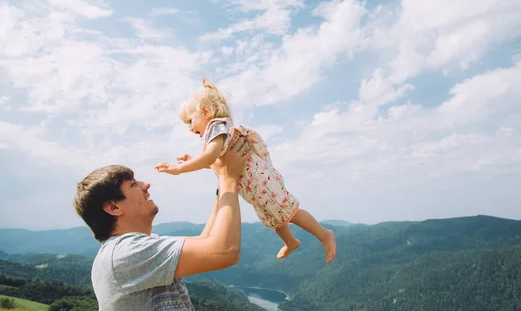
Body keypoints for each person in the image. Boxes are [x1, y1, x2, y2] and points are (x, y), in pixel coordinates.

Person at [155, 78, 337, 263]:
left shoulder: (216, 126)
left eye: (190, 121)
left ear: (205, 111)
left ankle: (324, 234)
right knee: (272, 216)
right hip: (254, 187)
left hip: (261, 182)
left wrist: (179, 168)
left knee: (288, 210)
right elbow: (217, 161)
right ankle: (290, 241)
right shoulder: (216, 131)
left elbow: (210, 157)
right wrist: (193, 160)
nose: (189, 128)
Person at [74, 133, 252, 310]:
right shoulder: (125, 253)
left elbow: (207, 241)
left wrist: (223, 181)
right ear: (113, 208)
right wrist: (229, 178)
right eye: (133, 185)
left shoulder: (137, 247)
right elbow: (224, 251)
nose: (146, 185)